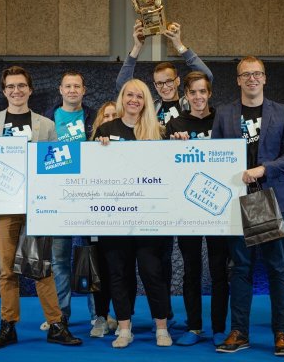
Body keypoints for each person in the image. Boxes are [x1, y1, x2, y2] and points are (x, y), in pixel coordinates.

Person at [0, 66, 82, 349]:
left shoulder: (46, 125)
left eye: (21, 85)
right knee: (6, 269)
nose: (16, 91)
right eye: (10, 86)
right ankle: (8, 326)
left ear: (30, 90)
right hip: (3, 206)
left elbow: (56, 167)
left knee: (41, 267)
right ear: (4, 91)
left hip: (37, 206)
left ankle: (56, 325)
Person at [116, 21, 214, 325]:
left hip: (190, 186)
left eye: (169, 81)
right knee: (160, 256)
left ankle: (187, 318)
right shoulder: (150, 108)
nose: (164, 87)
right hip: (158, 188)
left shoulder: (190, 102)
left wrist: (180, 45)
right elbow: (122, 86)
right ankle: (165, 312)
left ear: (178, 80)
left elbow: (207, 78)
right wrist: (136, 47)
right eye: (158, 83)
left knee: (187, 258)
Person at [212, 56, 284, 356]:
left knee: (278, 268)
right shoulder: (224, 113)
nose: (252, 78)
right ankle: (239, 332)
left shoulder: (282, 112)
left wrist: (264, 169)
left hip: (271, 198)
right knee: (240, 269)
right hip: (236, 200)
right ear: (238, 80)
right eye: (246, 74)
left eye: (257, 74)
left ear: (265, 78)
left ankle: (282, 334)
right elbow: (214, 154)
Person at [94, 79, 172, 348]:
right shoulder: (106, 130)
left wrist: (181, 143)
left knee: (153, 272)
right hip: (115, 216)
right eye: (130, 95)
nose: (134, 100)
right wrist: (98, 150)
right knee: (118, 273)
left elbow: (170, 170)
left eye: (139, 96)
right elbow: (93, 171)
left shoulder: (157, 131)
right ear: (122, 98)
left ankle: (161, 328)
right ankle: (124, 328)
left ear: (145, 101)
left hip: (149, 217)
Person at [165, 71, 230, 347]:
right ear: (186, 95)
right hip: (187, 207)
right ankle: (193, 327)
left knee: (219, 270)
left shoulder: (223, 120)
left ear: (210, 93)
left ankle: (219, 328)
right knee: (191, 270)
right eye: (193, 92)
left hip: (218, 206)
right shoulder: (175, 124)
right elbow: (167, 164)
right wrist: (173, 145)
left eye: (203, 91)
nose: (198, 97)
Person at [41, 71, 96, 329]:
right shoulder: (46, 119)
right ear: (60, 90)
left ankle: (98, 315)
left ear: (84, 90)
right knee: (59, 260)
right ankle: (60, 315)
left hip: (90, 195)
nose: (72, 90)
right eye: (68, 86)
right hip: (58, 198)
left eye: (77, 86)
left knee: (93, 256)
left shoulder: (94, 117)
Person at [88, 100, 120, 337]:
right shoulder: (88, 150)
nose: (110, 120)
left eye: (114, 116)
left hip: (123, 218)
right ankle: (100, 316)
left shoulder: (132, 146)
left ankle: (123, 318)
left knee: (120, 270)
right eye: (106, 116)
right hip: (96, 219)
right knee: (99, 270)